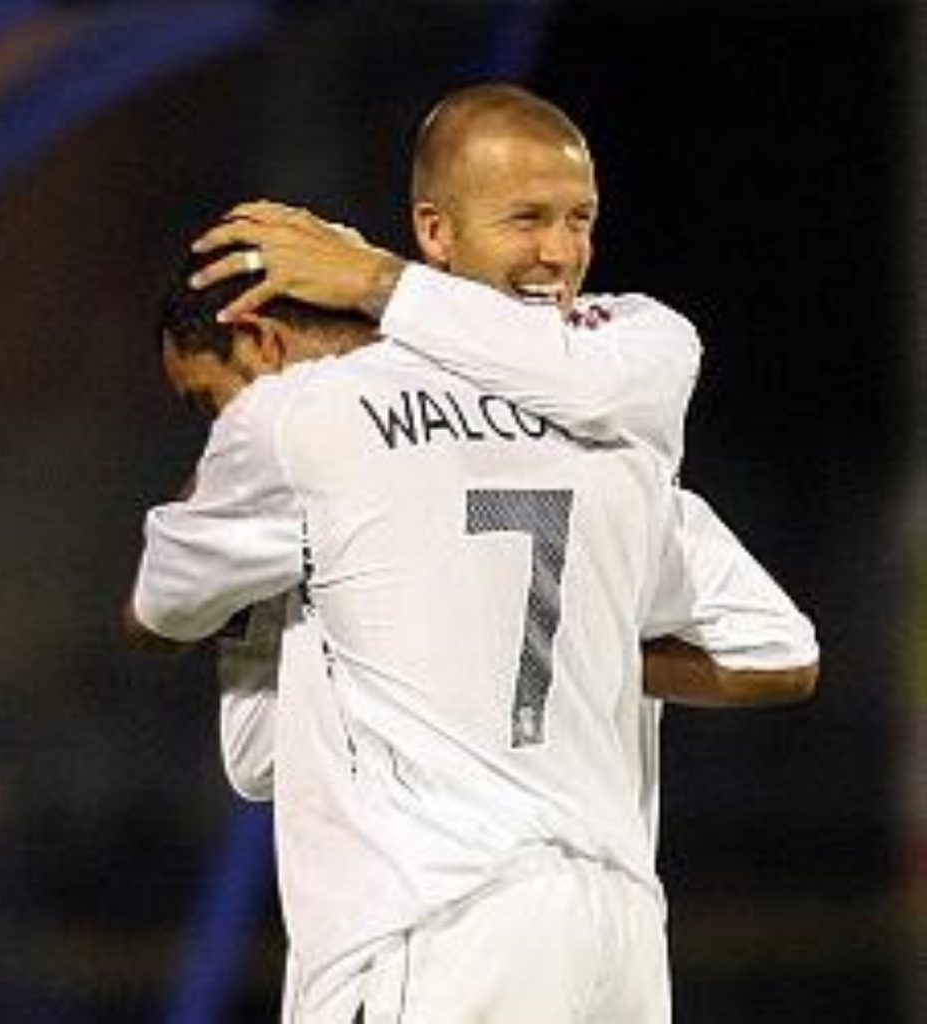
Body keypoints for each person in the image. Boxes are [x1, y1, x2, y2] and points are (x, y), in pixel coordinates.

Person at [126, 211, 817, 1022]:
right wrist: (553, 634)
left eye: (208, 400)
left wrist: (454, 614)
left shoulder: (295, 427)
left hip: (433, 930)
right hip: (613, 935)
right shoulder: (589, 424)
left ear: (261, 340)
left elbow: (155, 617)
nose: (215, 425)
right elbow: (777, 652)